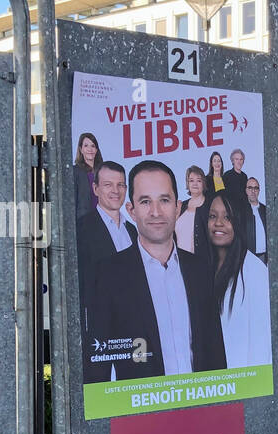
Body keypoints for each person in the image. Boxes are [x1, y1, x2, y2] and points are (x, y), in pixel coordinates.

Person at [84, 160, 226, 383]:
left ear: (178, 207)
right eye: (145, 201)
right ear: (131, 209)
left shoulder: (200, 270)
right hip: (140, 415)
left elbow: (215, 354)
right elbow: (96, 368)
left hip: (201, 412)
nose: (156, 212)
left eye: (164, 200)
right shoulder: (109, 275)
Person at [203, 193, 271, 368]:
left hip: (240, 384)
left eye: (227, 217)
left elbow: (262, 345)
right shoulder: (200, 268)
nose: (218, 223)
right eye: (212, 216)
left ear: (238, 222)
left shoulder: (255, 271)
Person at [76, 160, 137, 328]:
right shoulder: (82, 229)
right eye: (108, 185)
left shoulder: (132, 230)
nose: (115, 191)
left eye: (121, 185)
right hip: (102, 326)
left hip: (134, 320)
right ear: (96, 189)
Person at [175, 165, 208, 253]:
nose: (195, 184)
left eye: (199, 180)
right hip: (181, 260)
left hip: (201, 261)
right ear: (188, 183)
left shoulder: (210, 206)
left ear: (203, 183)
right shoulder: (181, 205)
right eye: (191, 180)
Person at [74, 132, 103, 220]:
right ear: (81, 149)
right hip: (84, 221)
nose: (90, 149)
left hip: (102, 220)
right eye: (86, 146)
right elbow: (73, 201)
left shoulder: (103, 171)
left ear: (96, 150)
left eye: (93, 146)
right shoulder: (75, 171)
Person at [243, 176, 268, 265]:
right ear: (246, 190)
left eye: (256, 188)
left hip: (264, 257)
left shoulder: (265, 210)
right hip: (248, 257)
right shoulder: (241, 211)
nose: (253, 191)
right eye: (250, 188)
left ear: (259, 190)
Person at [221, 148, 249, 213]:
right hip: (231, 210)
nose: (239, 162)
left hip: (243, 210)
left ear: (243, 161)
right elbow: (222, 195)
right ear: (232, 161)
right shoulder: (226, 175)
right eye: (236, 159)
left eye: (241, 159)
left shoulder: (244, 176)